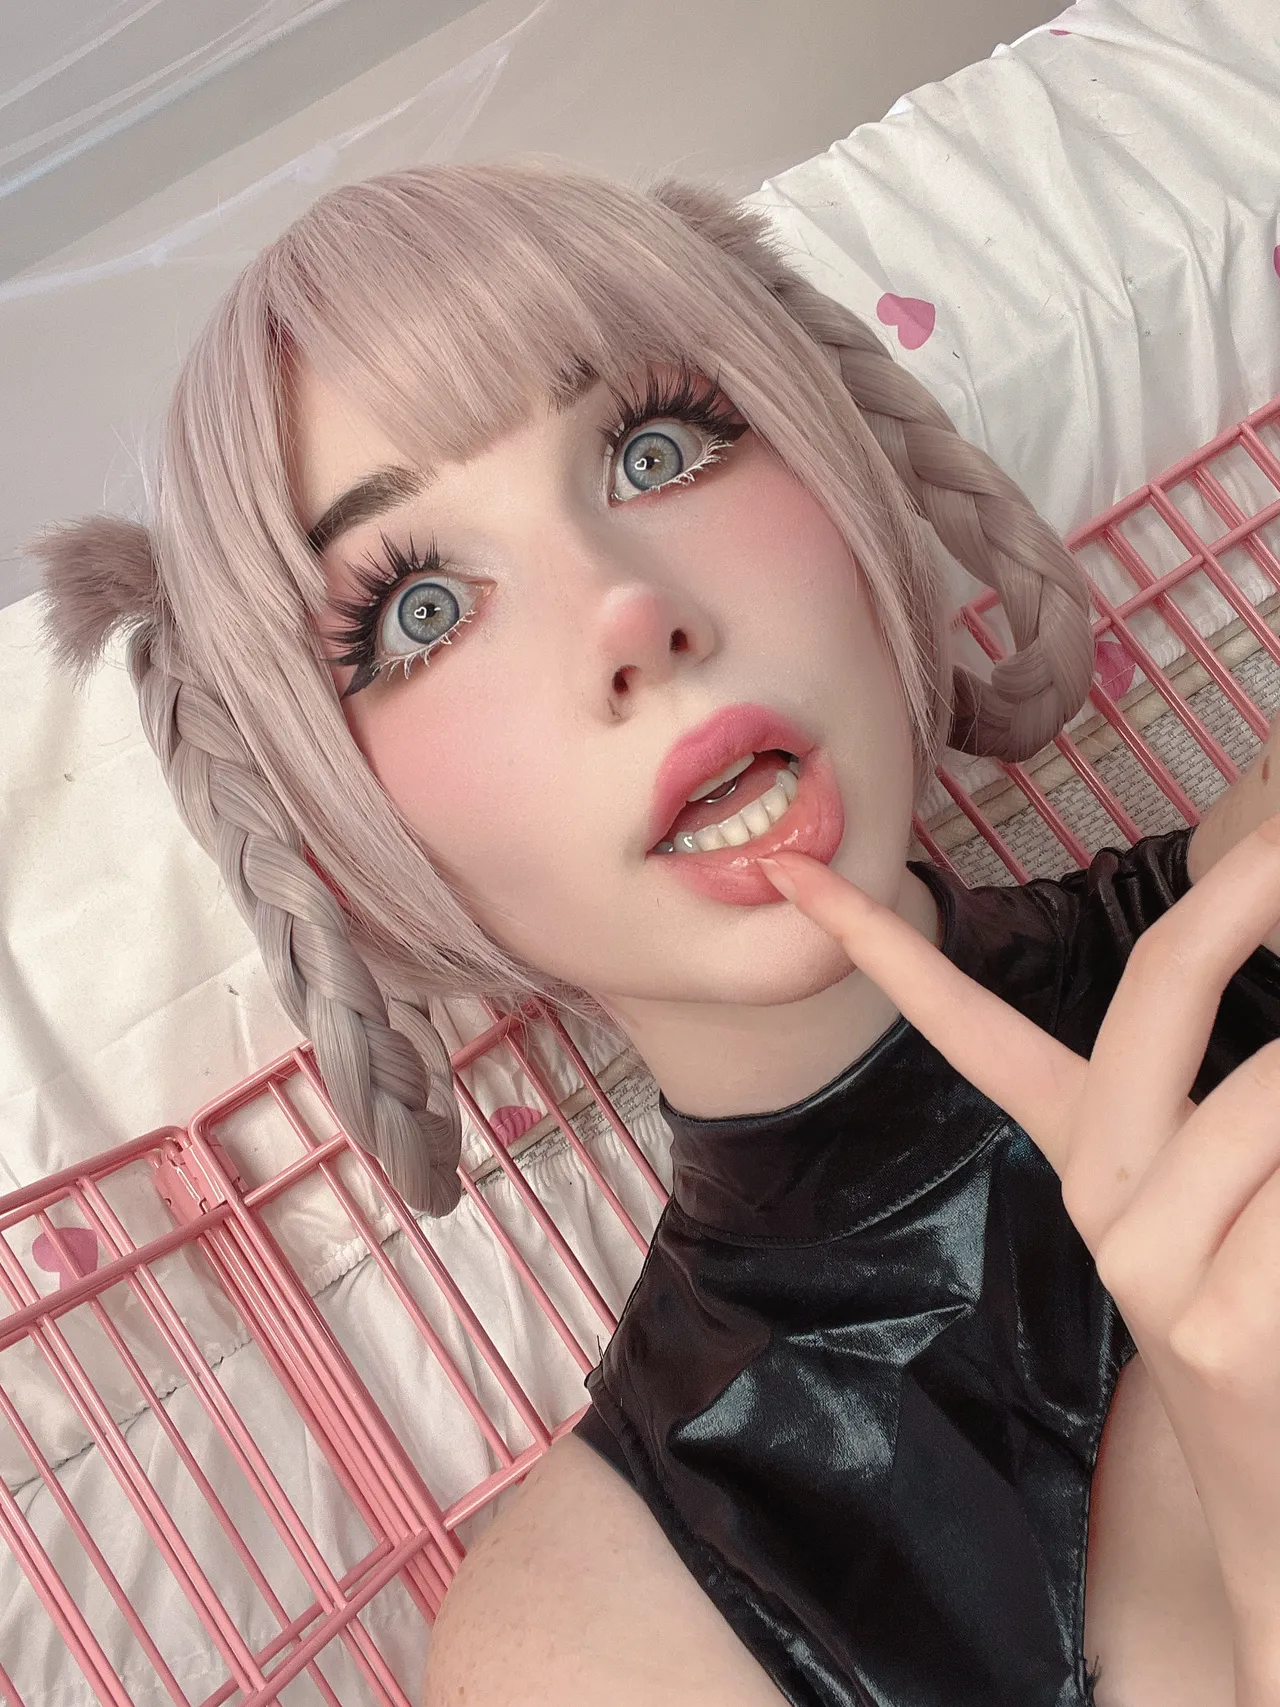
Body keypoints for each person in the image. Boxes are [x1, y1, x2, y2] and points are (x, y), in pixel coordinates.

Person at [29, 160, 1280, 1705]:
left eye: (657, 444)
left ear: (841, 465)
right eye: (420, 610)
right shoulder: (595, 1639)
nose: (631, 614)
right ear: (336, 838)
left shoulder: (1260, 880)